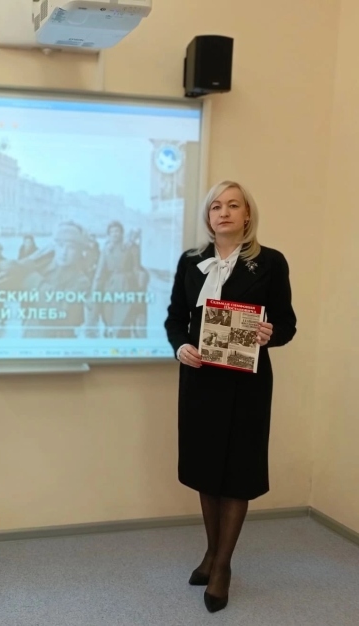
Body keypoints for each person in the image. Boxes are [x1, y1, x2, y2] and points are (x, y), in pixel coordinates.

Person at [164, 181, 296, 613]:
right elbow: (175, 320)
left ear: (247, 215)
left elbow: (287, 324)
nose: (223, 212)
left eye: (233, 205)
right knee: (206, 470)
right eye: (215, 206)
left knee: (237, 471)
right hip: (201, 381)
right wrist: (181, 346)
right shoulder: (191, 261)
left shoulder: (270, 262)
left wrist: (270, 333)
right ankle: (210, 552)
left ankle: (222, 567)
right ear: (208, 216)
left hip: (246, 384)